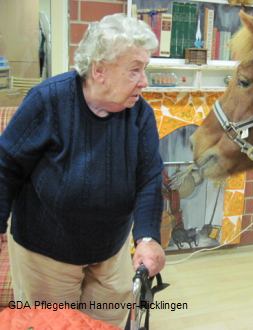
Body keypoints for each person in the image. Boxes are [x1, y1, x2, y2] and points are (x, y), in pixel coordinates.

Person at [0, 13, 165, 327]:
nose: (144, 81)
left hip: (110, 249)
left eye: (145, 69)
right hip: (45, 253)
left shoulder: (140, 114)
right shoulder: (49, 100)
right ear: (99, 71)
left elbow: (149, 177)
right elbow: (5, 164)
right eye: (135, 70)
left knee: (107, 323)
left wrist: (146, 237)